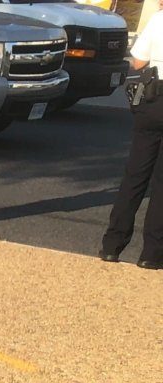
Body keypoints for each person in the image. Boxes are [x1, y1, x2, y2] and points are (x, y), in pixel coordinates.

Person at [99, 11, 163, 268]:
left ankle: (112, 245)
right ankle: (152, 254)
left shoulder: (159, 19)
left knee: (135, 176)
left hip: (154, 99)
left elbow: (138, 61)